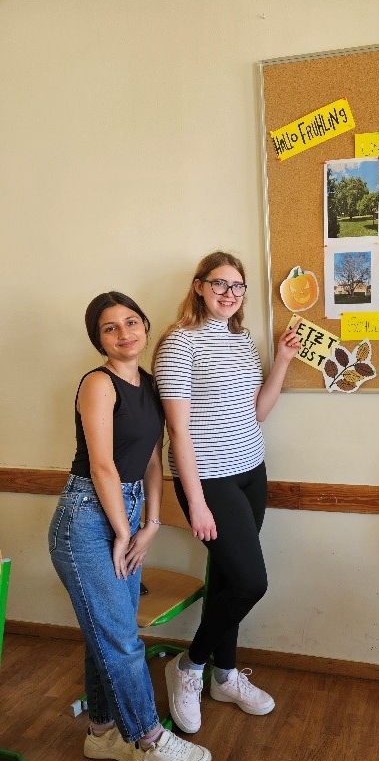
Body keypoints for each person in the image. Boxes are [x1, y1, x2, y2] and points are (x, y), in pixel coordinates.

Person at [49, 292, 212, 761]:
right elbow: (102, 465)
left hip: (130, 508)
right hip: (85, 518)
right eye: (110, 328)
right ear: (98, 339)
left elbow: (151, 459)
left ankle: (101, 733)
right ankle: (148, 739)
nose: (124, 333)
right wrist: (123, 530)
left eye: (131, 322)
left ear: (144, 325)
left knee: (107, 631)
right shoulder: (98, 384)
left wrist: (151, 524)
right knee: (119, 636)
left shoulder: (150, 383)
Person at [153, 251, 300, 734]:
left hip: (251, 471)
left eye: (237, 286)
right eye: (219, 283)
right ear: (198, 286)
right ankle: (189, 665)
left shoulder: (242, 340)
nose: (229, 293)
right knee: (250, 583)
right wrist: (195, 502)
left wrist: (281, 361)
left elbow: (257, 412)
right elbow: (178, 431)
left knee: (228, 579)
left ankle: (225, 675)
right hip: (210, 479)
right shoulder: (179, 343)